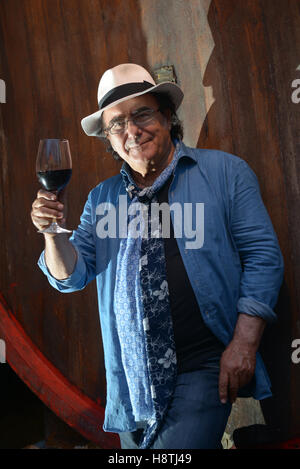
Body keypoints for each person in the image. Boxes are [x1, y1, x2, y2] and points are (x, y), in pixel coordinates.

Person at [31, 63, 284, 449]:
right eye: (116, 124)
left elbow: (264, 258)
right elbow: (70, 276)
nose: (131, 131)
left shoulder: (224, 173)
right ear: (109, 140)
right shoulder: (102, 199)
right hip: (131, 380)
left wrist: (244, 344)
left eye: (142, 114)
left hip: (203, 364)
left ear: (167, 116)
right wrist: (51, 231)